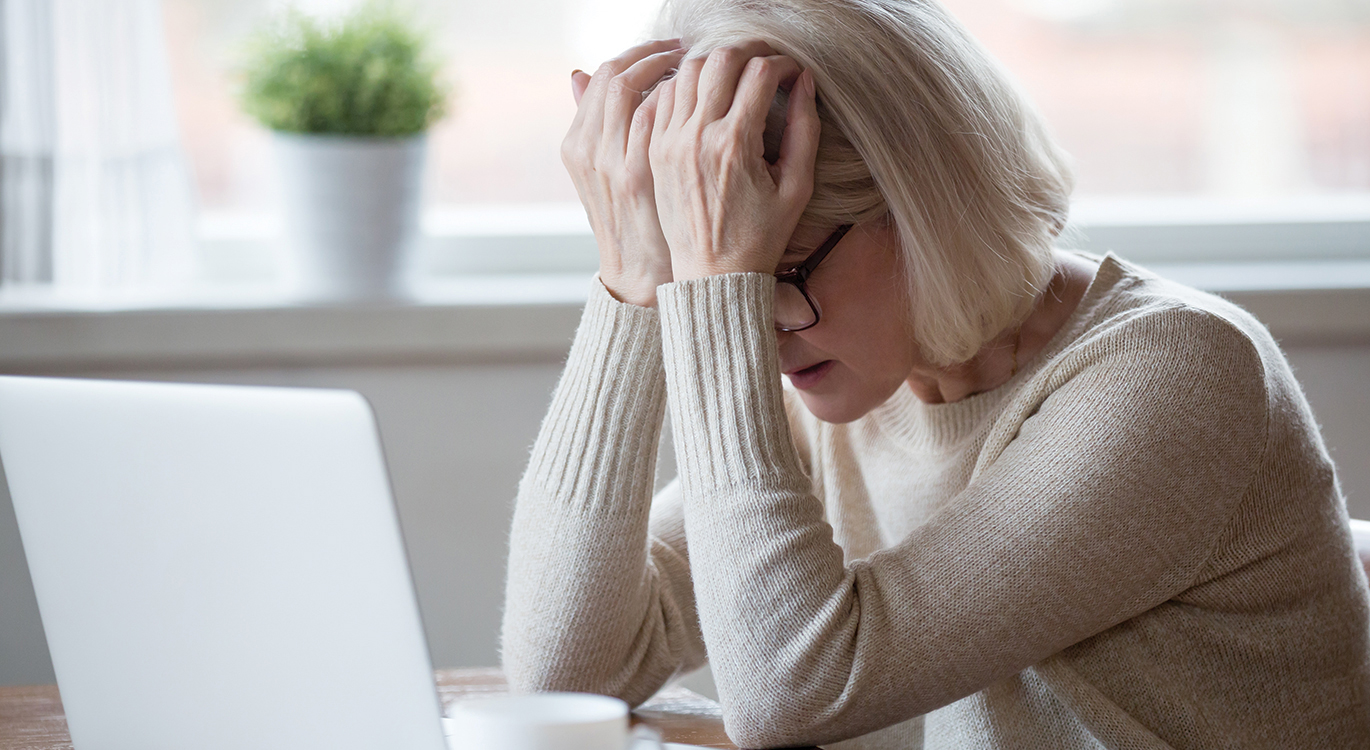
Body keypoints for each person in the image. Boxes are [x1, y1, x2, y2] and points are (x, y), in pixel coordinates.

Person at [500, 0, 1370, 747]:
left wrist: (721, 287)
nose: (752, 340)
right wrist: (633, 281)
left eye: (778, 272)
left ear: (924, 208)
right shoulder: (850, 382)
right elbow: (569, 672)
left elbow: (790, 692)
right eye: (716, 286)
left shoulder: (1175, 375)